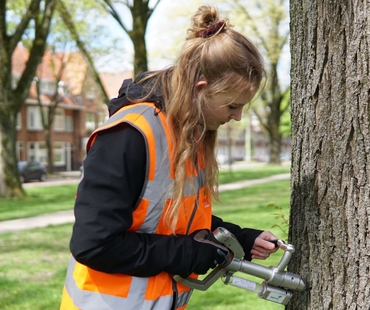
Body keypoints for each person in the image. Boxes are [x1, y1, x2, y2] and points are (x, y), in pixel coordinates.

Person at [60, 5, 279, 310]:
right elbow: (95, 244)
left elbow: (170, 221)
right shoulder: (129, 136)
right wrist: (188, 254)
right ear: (202, 89)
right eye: (232, 106)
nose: (238, 117)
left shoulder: (186, 134)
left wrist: (239, 238)